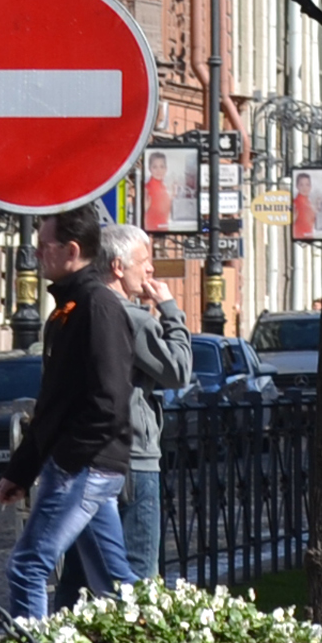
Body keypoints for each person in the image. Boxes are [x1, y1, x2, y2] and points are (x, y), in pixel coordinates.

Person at [0, 204, 136, 643]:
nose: (37, 254)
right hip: (80, 465)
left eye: (44, 246)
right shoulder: (68, 309)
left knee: (28, 565)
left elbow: (109, 402)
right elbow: (52, 402)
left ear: (72, 251)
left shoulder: (97, 307)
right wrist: (21, 469)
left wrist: (64, 464)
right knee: (116, 584)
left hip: (85, 466)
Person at [106, 224, 189, 581]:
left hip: (91, 457)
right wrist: (170, 311)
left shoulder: (79, 311)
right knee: (139, 568)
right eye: (145, 261)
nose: (151, 270)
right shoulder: (135, 319)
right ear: (118, 266)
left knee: (85, 571)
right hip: (135, 456)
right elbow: (178, 371)